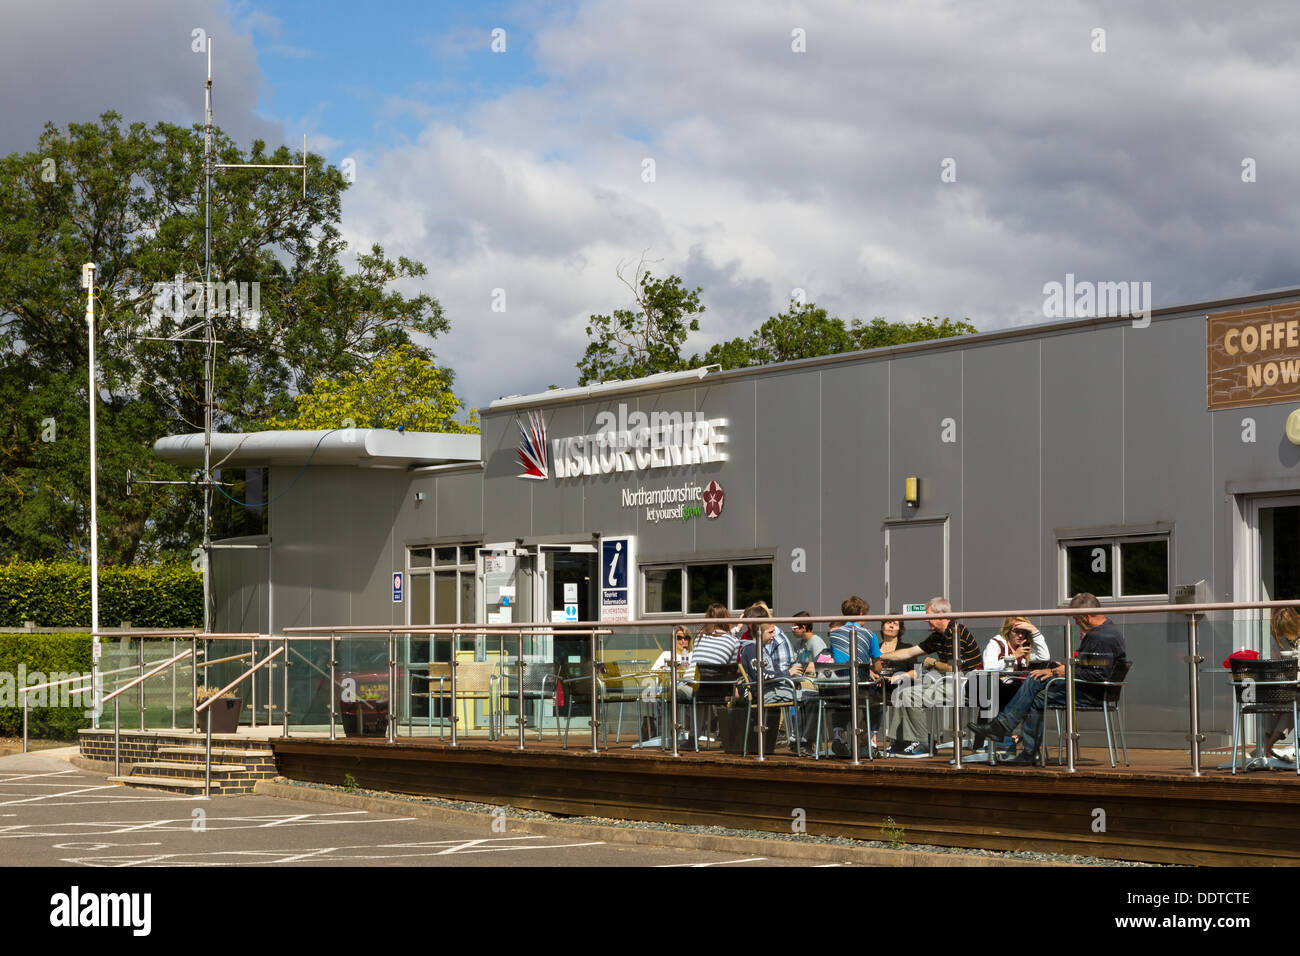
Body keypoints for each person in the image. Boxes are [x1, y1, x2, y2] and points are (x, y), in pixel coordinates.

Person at [968, 593, 1127, 766]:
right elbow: (1093, 666)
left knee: (1035, 682)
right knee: (1036, 688)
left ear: (1086, 617)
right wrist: (1062, 668)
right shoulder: (1105, 631)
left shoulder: (1100, 637)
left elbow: (1098, 674)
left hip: (1089, 693)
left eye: (1076, 619)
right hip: (1090, 688)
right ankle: (1024, 747)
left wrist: (1062, 671)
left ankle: (1006, 730)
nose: (1075, 623)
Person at [877, 596, 981, 757]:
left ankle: (924, 742)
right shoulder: (939, 635)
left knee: (911, 695)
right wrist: (882, 655)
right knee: (901, 693)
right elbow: (910, 652)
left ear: (941, 614)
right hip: (948, 682)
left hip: (966, 684)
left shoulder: (956, 632)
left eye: (928, 615)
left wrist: (932, 663)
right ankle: (901, 742)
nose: (926, 619)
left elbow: (953, 668)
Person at [977, 617, 1051, 753]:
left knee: (1034, 696)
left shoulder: (1025, 646)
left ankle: (1029, 748)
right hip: (984, 687)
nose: (1021, 635)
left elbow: (1044, 657)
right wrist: (1014, 656)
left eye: (1024, 631)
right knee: (1010, 690)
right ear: (1007, 631)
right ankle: (1001, 739)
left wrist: (1034, 631)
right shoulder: (996, 643)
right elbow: (989, 668)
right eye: (1016, 631)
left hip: (1013, 690)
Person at [822, 596, 880, 756]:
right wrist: (875, 670)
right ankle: (867, 739)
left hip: (838, 688)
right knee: (878, 701)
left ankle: (838, 735)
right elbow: (877, 664)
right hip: (860, 688)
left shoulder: (834, 634)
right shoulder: (869, 634)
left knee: (846, 698)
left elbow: (839, 660)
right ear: (861, 613)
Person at [1263, 606, 1300, 760]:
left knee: (1292, 704)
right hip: (1285, 684)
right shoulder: (1277, 638)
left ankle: (1266, 747)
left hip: (1293, 686)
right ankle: (1267, 747)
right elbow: (1274, 662)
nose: (1286, 635)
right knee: (1288, 705)